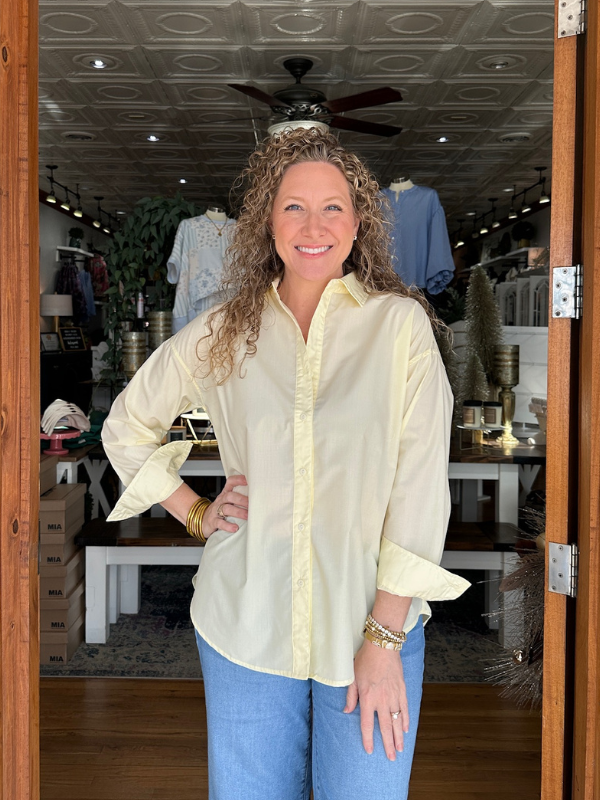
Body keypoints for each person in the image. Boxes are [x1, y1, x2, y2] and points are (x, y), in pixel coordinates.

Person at [102, 127, 470, 800]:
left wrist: (384, 638)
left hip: (368, 627)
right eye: (293, 206)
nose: (313, 225)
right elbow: (127, 424)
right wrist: (193, 510)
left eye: (333, 206)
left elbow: (420, 488)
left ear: (358, 224)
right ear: (266, 222)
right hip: (246, 624)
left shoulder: (399, 328)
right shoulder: (225, 330)